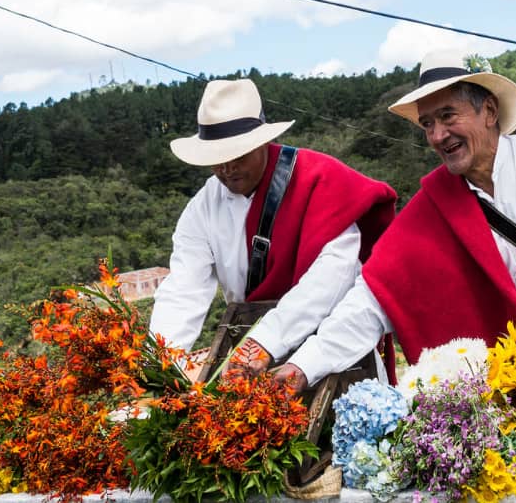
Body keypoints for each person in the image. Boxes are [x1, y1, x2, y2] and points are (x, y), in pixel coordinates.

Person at [277, 49, 516, 390]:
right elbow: (371, 301)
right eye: (427, 123)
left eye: (448, 116)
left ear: (490, 111)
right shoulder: (432, 211)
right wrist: (302, 367)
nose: (438, 135)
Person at [149, 78, 397, 377]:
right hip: (250, 363)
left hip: (331, 350)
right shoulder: (203, 208)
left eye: (237, 154)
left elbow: (334, 274)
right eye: (216, 159)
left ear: (261, 141)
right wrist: (158, 363)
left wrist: (266, 340)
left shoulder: (319, 180)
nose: (227, 168)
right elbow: (184, 291)